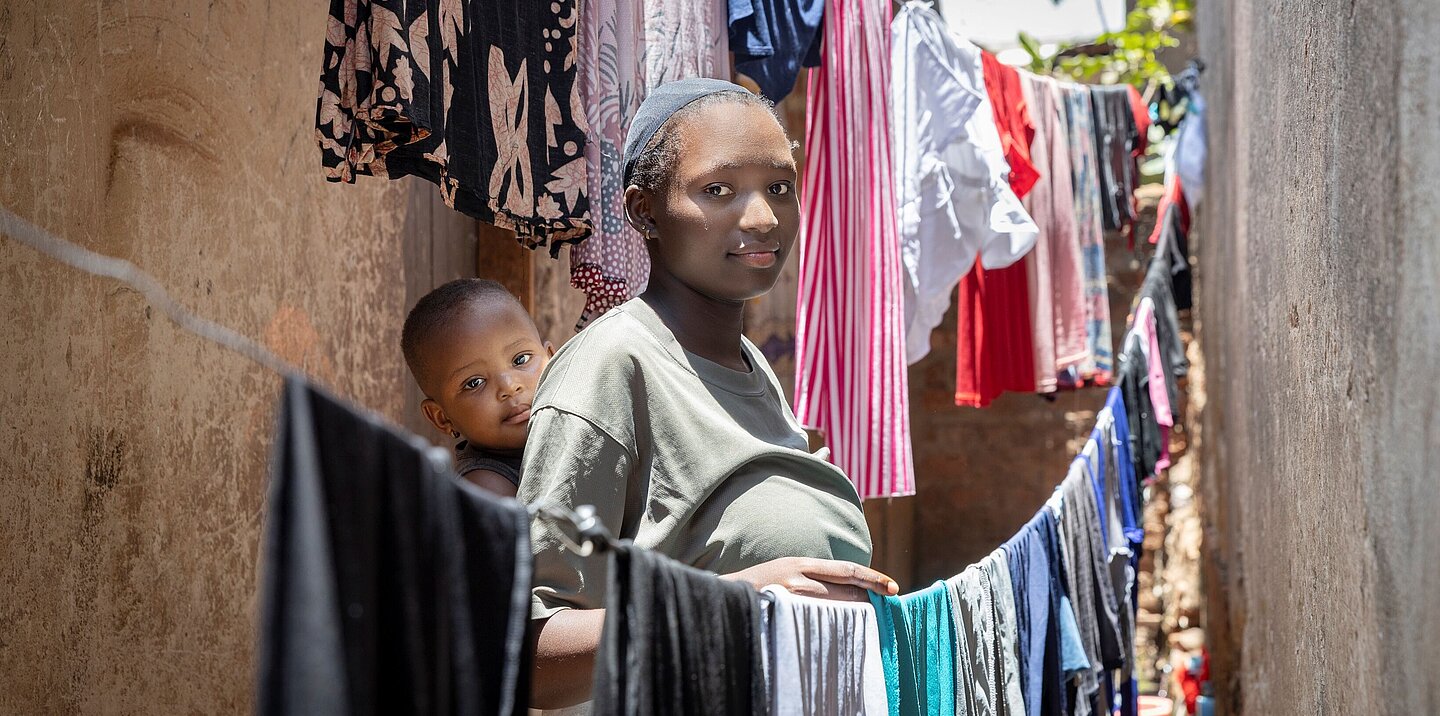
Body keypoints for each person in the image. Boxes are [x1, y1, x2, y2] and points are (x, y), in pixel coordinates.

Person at [516, 78, 897, 709]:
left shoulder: (749, 366)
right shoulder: (614, 367)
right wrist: (727, 604)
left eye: (780, 187)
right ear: (645, 211)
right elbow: (528, 657)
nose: (763, 217)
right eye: (718, 190)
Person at [401, 279, 554, 497]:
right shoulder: (486, 486)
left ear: (553, 359)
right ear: (442, 418)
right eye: (474, 383)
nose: (509, 387)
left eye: (521, 360)